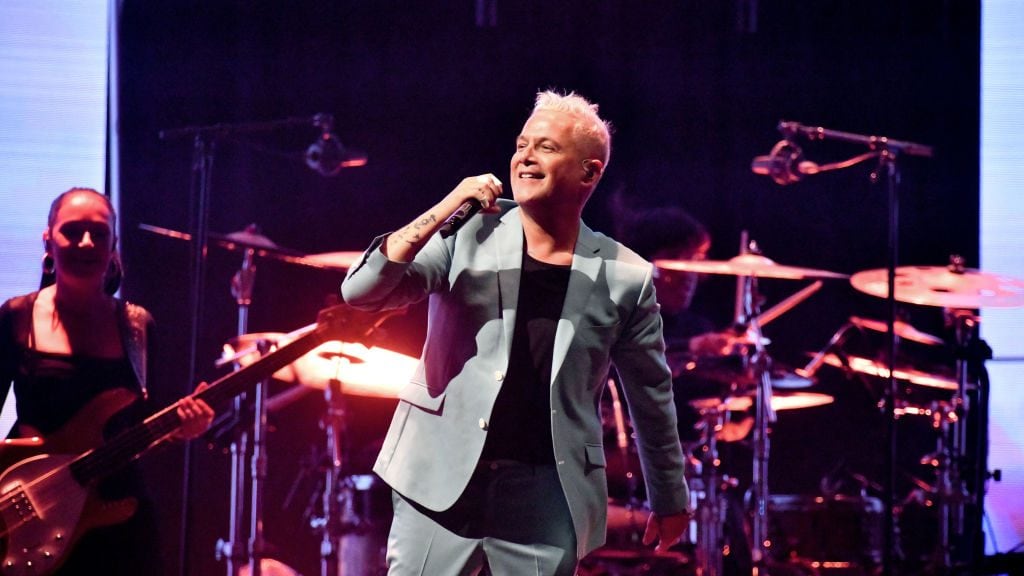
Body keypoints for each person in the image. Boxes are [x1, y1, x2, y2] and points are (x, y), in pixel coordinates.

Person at [341, 91, 690, 575]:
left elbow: (651, 395)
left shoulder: (626, 275)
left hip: (545, 498)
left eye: (546, 147)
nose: (525, 157)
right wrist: (446, 207)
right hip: (438, 480)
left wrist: (670, 497)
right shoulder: (466, 232)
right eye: (522, 144)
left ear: (589, 172)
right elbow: (360, 292)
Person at [0, 187, 215, 575]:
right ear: (48, 241)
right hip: (33, 516)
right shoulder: (16, 317)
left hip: (116, 515)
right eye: (73, 231)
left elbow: (143, 427)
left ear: (114, 244)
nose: (86, 242)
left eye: (99, 233)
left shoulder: (137, 326)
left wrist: (184, 428)